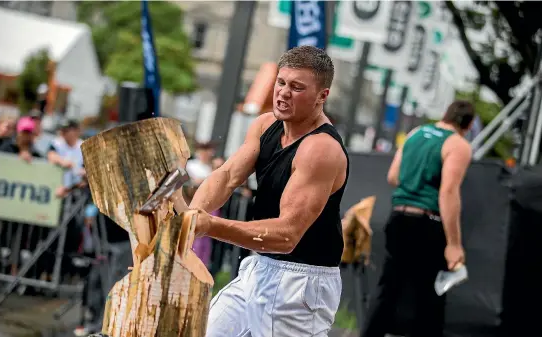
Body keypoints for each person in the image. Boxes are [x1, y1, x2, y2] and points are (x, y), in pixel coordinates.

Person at [172, 45, 349, 337]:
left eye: (296, 87)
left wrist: (208, 225)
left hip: (301, 283)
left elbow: (287, 236)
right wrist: (193, 217)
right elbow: (227, 176)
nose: (283, 93)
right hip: (261, 267)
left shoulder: (321, 149)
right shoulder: (266, 124)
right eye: (281, 82)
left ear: (322, 96)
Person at [361, 100, 476, 337]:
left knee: (387, 291)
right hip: (428, 223)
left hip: (399, 218)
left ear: (445, 114)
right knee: (430, 298)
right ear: (468, 124)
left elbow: (393, 176)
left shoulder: (415, 133)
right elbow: (448, 192)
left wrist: (416, 181)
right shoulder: (458, 145)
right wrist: (454, 244)